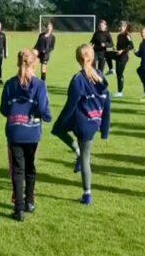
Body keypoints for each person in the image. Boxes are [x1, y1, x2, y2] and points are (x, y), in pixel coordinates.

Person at [52, 44, 111, 205]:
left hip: (81, 122)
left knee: (84, 156)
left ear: (78, 59)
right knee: (82, 151)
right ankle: (77, 151)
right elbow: (107, 103)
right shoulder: (100, 76)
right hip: (94, 120)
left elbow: (71, 105)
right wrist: (104, 128)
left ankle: (87, 194)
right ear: (92, 57)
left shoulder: (78, 79)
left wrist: (60, 122)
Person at [0, 49, 50, 221]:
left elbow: (3, 109)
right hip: (32, 131)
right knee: (30, 166)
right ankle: (29, 201)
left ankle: (19, 208)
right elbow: (43, 108)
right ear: (34, 65)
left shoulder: (9, 84)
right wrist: (46, 116)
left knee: (17, 169)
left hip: (15, 131)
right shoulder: (40, 85)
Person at [112, 21, 134, 98]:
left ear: (125, 27)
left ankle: (120, 92)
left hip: (124, 57)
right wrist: (116, 49)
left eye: (122, 27)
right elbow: (119, 45)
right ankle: (119, 91)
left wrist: (123, 50)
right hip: (118, 56)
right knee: (118, 73)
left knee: (120, 73)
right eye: (120, 26)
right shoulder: (119, 36)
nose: (120, 28)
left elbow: (131, 46)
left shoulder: (127, 35)